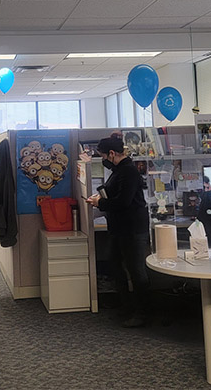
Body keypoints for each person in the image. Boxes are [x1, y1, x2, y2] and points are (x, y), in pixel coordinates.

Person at [86, 134, 151, 328]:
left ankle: (143, 313)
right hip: (119, 227)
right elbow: (115, 192)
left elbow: (123, 201)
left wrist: (100, 202)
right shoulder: (119, 170)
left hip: (132, 228)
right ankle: (127, 306)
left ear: (112, 153)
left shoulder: (128, 171)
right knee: (115, 264)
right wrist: (100, 197)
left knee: (136, 271)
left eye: (103, 157)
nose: (103, 161)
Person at [196, 176, 211, 246]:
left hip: (206, 216)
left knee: (207, 231)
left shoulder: (209, 192)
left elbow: (209, 204)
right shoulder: (207, 191)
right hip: (205, 216)